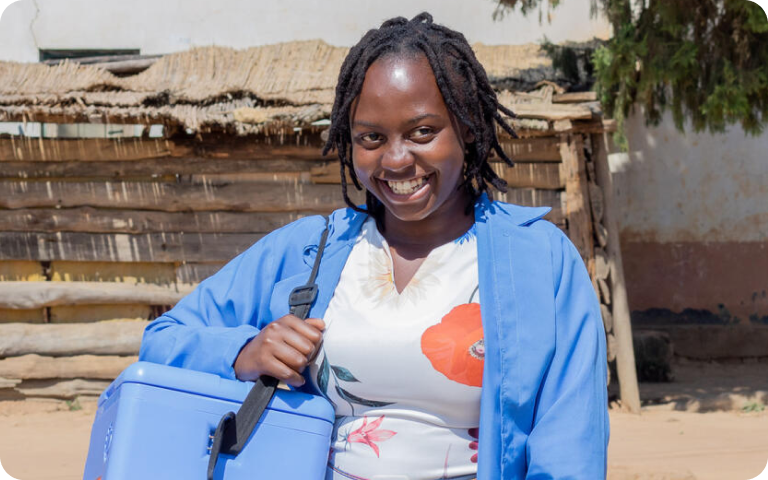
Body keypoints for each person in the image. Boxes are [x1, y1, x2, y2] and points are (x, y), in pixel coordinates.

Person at [139, 12, 609, 480]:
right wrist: (243, 352)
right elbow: (163, 338)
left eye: (423, 131)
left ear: (466, 127)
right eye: (372, 138)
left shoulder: (538, 259)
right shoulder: (312, 250)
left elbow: (570, 445)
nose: (397, 159)